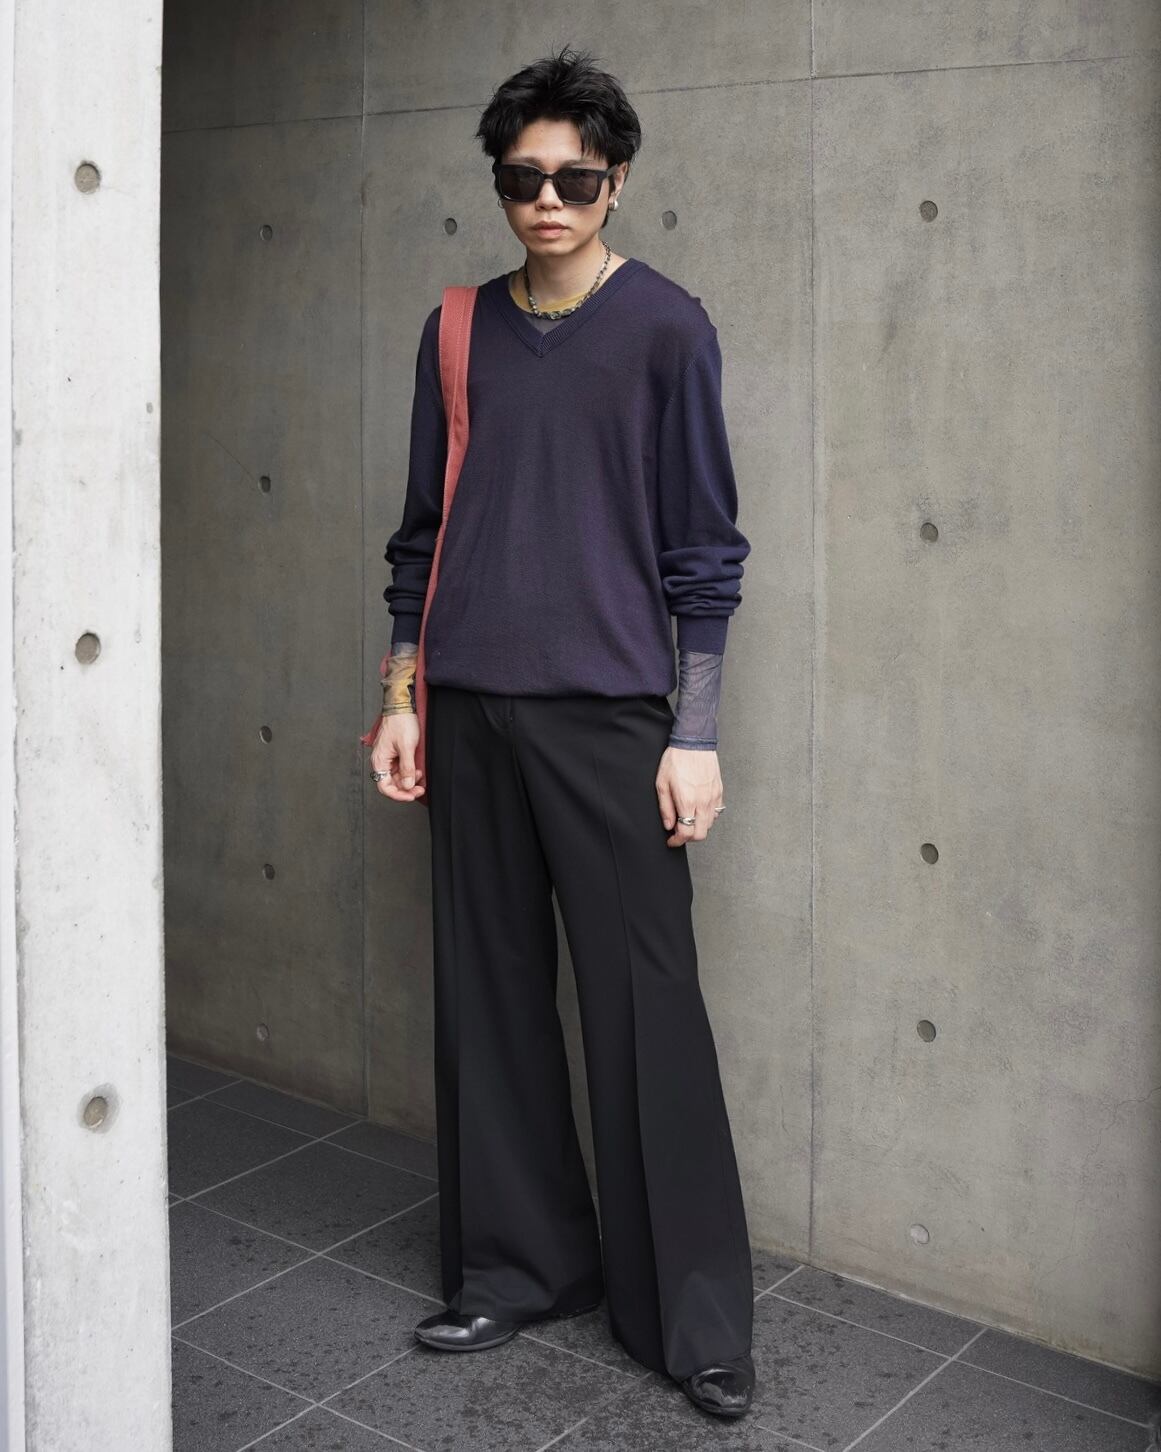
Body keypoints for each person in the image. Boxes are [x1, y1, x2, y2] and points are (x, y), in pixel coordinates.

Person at [367, 44, 756, 1420]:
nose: (547, 201)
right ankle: (521, 1268)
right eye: (522, 178)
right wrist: (402, 697)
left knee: (647, 1009)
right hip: (468, 710)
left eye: (574, 180)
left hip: (610, 721)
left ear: (616, 183)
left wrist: (693, 732)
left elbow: (705, 553)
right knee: (489, 999)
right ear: (499, 183)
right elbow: (420, 538)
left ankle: (693, 1319)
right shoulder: (456, 331)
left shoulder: (666, 329)